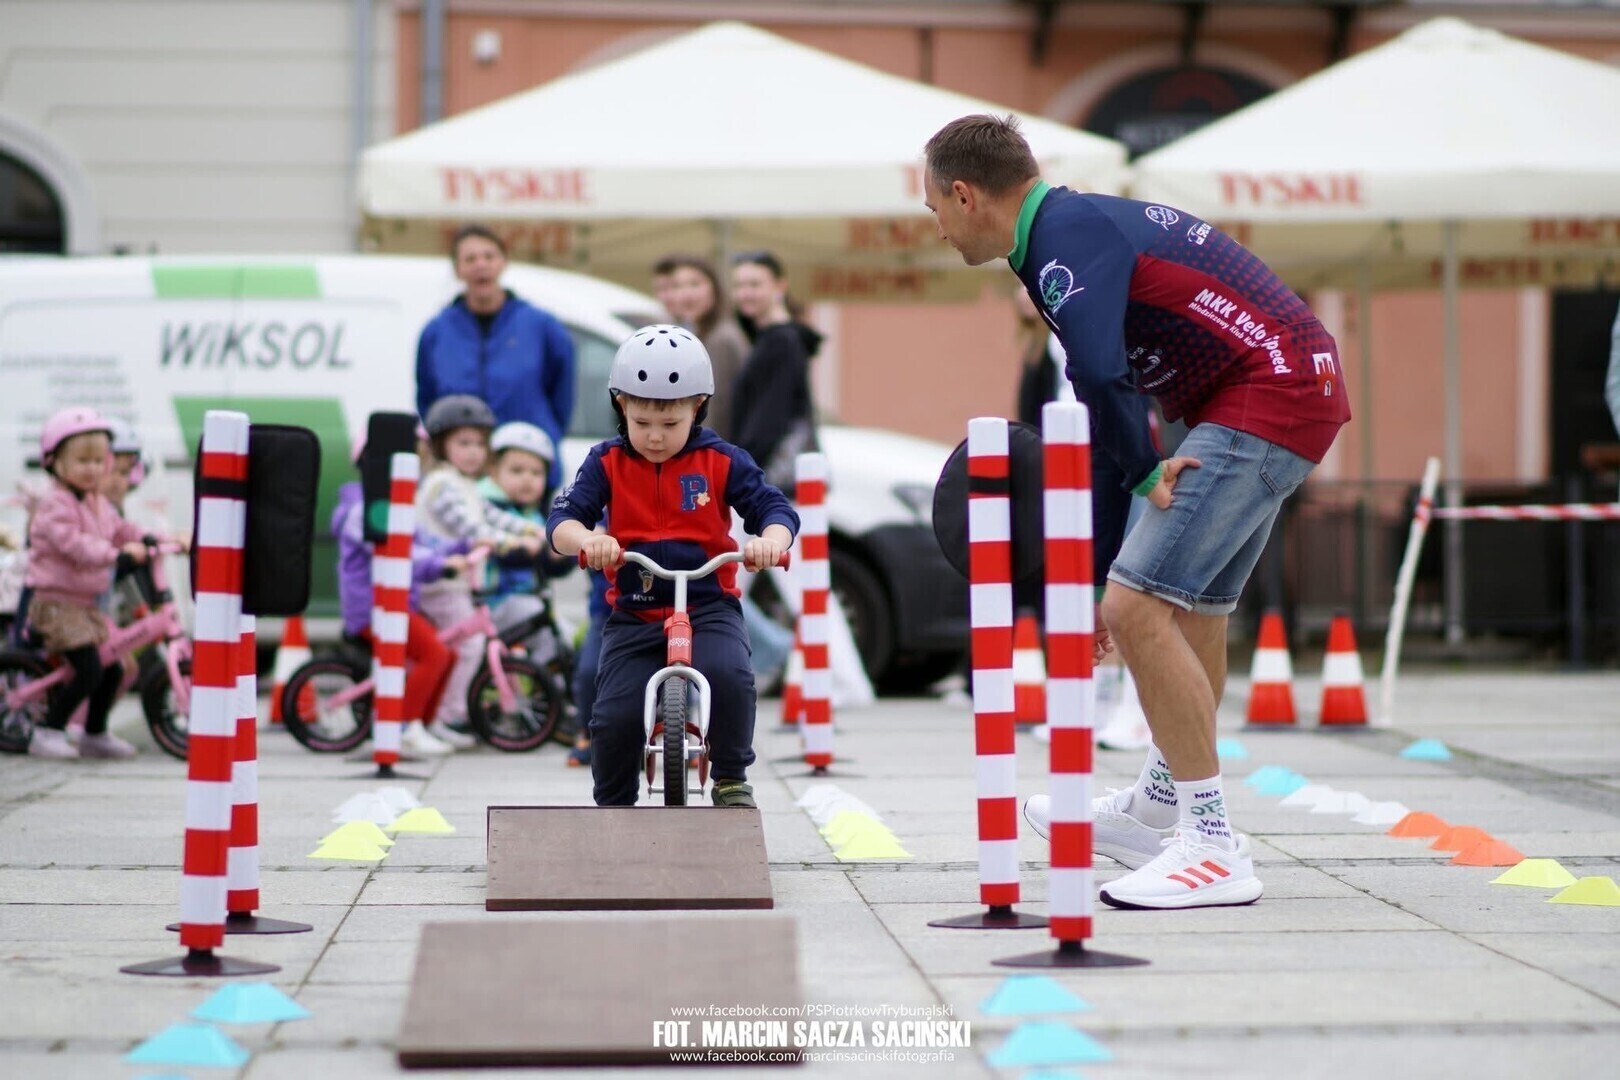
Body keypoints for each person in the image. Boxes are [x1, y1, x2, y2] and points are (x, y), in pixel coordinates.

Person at [923, 114, 1350, 910]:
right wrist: (1102, 559)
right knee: (1194, 612)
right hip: (1285, 385)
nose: (937, 231)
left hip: (1269, 391)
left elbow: (1101, 375)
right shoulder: (1068, 226)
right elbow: (1100, 417)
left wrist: (1146, 483)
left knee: (1138, 605)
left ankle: (1212, 843)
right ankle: (1161, 804)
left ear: (964, 193)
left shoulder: (1061, 237)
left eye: (934, 211)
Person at [547, 325, 798, 809]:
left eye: (670, 423)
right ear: (621, 405)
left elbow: (774, 508)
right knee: (613, 715)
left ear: (698, 405)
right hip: (635, 613)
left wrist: (769, 540)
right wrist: (589, 538)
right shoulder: (607, 462)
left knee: (731, 678)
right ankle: (614, 805)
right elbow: (563, 519)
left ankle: (729, 777)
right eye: (642, 423)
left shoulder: (721, 461)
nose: (655, 437)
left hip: (709, 607)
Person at [416, 394, 546, 751]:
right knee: (471, 645)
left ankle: (439, 714)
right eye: (463, 443)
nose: (473, 451)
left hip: (453, 584)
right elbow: (472, 528)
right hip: (438, 584)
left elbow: (492, 514)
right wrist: (512, 542)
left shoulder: (463, 483)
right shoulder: (442, 485)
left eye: (479, 443)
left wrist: (533, 530)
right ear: (442, 444)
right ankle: (445, 717)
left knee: (461, 643)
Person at [20, 407, 146, 759]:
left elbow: (120, 529)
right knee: (90, 669)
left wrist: (149, 538)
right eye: (82, 461)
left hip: (84, 605)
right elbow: (74, 543)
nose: (92, 469)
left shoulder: (96, 501)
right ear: (54, 462)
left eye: (97, 460)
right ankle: (49, 730)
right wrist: (114, 554)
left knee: (115, 666)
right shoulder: (55, 504)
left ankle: (94, 732)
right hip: (57, 605)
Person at [415, 223, 577, 491]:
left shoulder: (542, 326)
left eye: (489, 257)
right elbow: (427, 400)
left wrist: (542, 436)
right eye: (470, 259)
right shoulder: (436, 332)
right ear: (457, 270)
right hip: (459, 478)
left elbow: (562, 396)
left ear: (503, 262)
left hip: (525, 473)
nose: (481, 265)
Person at [334, 443, 461, 758]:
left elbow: (426, 543)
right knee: (434, 653)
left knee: (449, 654)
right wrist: (440, 565)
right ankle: (404, 725)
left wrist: (463, 546)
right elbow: (396, 550)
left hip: (397, 605)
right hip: (374, 608)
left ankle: (423, 723)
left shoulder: (397, 506)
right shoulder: (364, 511)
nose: (417, 468)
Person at [729, 251, 821, 494]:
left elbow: (771, 414)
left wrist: (741, 466)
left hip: (771, 477)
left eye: (755, 284)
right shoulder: (771, 338)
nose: (745, 293)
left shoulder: (781, 341)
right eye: (739, 285)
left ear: (780, 286)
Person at [656, 254, 750, 441]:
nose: (686, 294)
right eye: (677, 286)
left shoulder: (721, 339)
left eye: (695, 284)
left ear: (714, 289)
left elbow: (715, 411)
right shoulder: (696, 335)